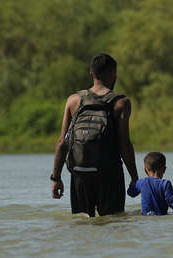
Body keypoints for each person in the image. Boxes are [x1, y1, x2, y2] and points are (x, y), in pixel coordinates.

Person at [50, 53, 139, 217]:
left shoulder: (74, 100)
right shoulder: (121, 102)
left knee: (82, 223)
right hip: (109, 173)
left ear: (91, 74)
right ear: (114, 73)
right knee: (113, 222)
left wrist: (56, 178)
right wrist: (134, 177)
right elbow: (124, 143)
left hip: (79, 172)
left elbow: (62, 141)